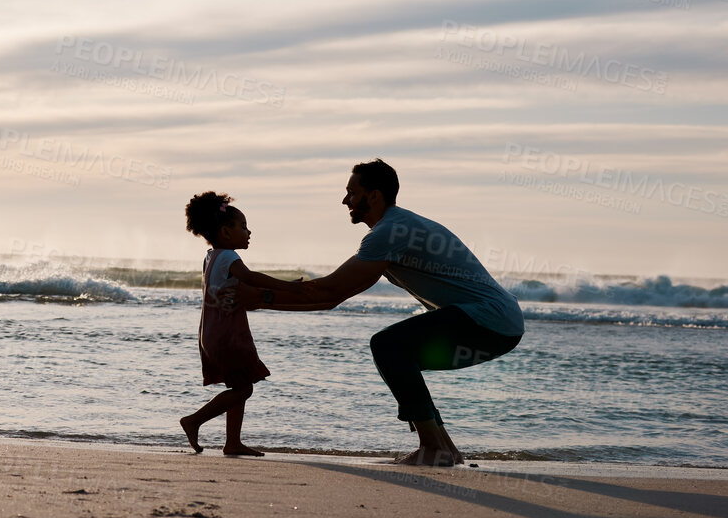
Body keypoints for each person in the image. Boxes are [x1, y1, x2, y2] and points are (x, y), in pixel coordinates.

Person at [228, 160, 523, 467]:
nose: (345, 201)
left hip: (490, 318)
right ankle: (444, 449)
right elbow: (334, 298)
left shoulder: (389, 232)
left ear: (375, 196)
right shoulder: (397, 227)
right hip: (502, 324)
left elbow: (328, 290)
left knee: (388, 346)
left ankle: (434, 448)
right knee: (399, 355)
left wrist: (260, 296)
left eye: (351, 193)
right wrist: (263, 301)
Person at [179, 191, 299, 457]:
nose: (248, 232)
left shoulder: (211, 257)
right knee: (244, 389)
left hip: (211, 333)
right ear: (225, 231)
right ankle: (194, 420)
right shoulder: (230, 258)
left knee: (238, 385)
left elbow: (236, 288)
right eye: (242, 226)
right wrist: (288, 287)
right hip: (228, 335)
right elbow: (252, 278)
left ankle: (233, 442)